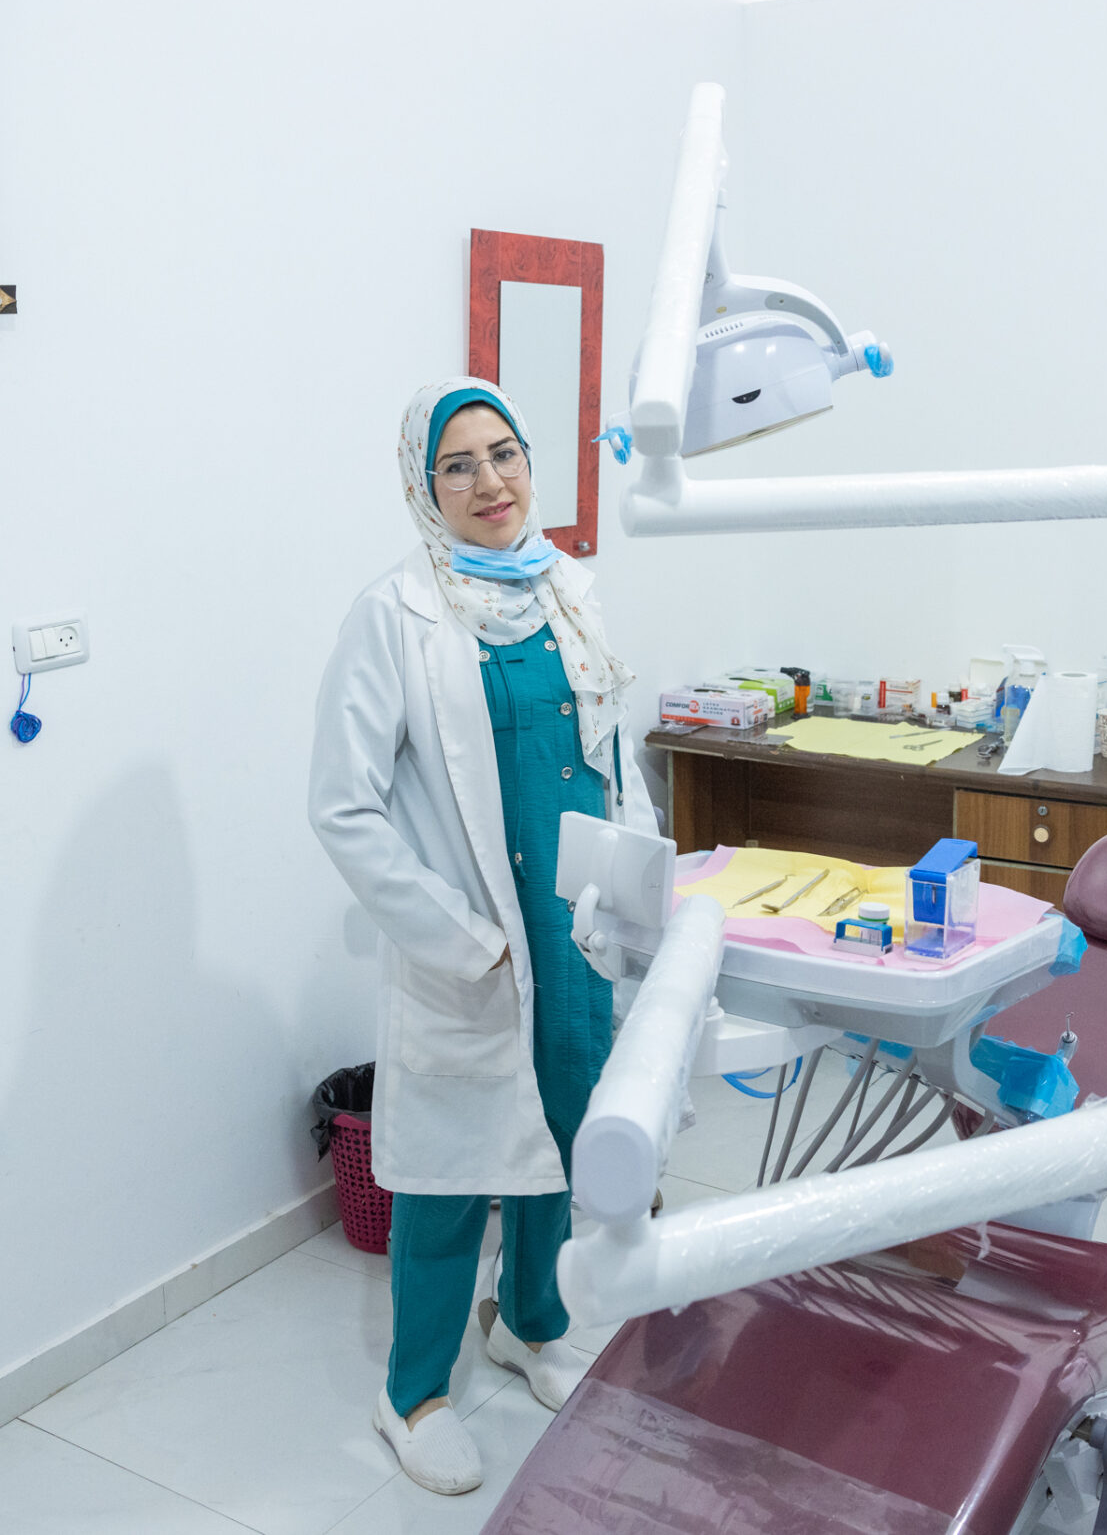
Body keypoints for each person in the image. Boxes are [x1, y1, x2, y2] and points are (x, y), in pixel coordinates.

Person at [308, 380, 655, 1495]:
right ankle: (411, 1392)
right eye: (458, 465)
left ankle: (532, 1319)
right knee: (447, 1168)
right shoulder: (394, 614)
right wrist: (452, 935)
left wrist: (643, 881)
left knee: (565, 1125)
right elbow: (343, 805)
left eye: (502, 454)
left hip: (575, 928)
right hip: (474, 942)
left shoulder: (570, 592)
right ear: (425, 487)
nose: (490, 482)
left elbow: (611, 757)